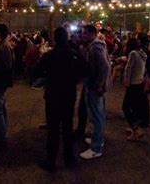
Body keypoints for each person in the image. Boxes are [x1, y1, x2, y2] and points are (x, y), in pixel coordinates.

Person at [36, 27, 84, 172]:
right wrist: (74, 79)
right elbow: (85, 70)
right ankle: (69, 158)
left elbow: (37, 71)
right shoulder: (74, 54)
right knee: (67, 126)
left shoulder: (49, 55)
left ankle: (51, 161)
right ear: (67, 37)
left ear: (55, 38)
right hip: (68, 95)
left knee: (53, 128)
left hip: (53, 95)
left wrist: (47, 76)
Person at [80, 25, 111, 160]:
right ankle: (98, 139)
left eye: (85, 34)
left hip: (95, 86)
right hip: (94, 84)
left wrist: (99, 84)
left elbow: (104, 66)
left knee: (97, 116)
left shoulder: (95, 47)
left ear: (93, 34)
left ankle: (96, 148)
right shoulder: (97, 45)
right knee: (97, 114)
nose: (83, 36)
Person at [122, 38, 148, 141]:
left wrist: (126, 81)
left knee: (125, 107)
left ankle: (136, 130)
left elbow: (129, 68)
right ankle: (134, 126)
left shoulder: (132, 53)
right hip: (139, 83)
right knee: (134, 107)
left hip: (132, 84)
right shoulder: (142, 53)